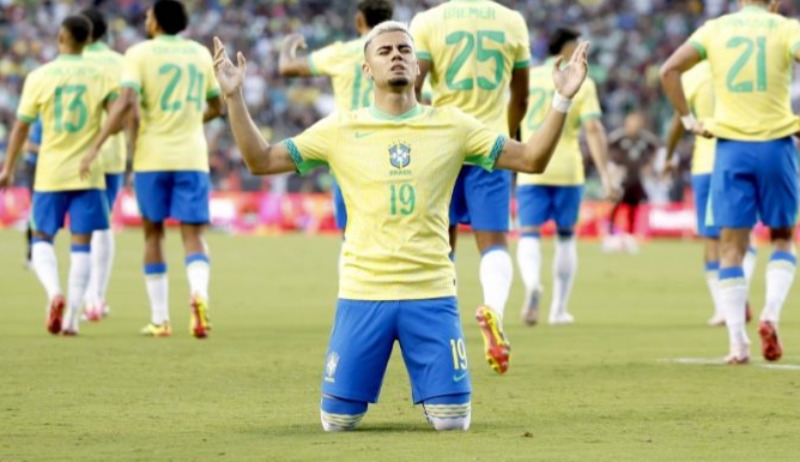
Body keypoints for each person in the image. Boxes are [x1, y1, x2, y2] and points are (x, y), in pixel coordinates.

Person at [211, 23, 589, 431]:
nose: (396, 55)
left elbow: (531, 159)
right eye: (385, 50)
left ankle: (436, 392)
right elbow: (262, 161)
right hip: (362, 294)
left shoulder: (453, 126)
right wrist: (233, 97)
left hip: (432, 294)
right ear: (367, 69)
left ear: (418, 66)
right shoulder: (339, 128)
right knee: (337, 422)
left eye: (405, 50)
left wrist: (563, 99)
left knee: (452, 422)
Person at [660, 0, 800, 364]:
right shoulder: (786, 27)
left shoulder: (716, 29)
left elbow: (668, 70)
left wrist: (688, 121)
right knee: (782, 238)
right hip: (776, 145)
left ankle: (738, 344)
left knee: (730, 247)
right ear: (774, 3)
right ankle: (770, 313)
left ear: (741, 1)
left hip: (730, 148)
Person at [409, 0, 530, 375]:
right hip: (489, 142)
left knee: (440, 241)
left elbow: (414, 85)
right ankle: (492, 308)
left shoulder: (426, 21)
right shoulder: (511, 21)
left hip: (442, 141)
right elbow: (521, 95)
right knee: (493, 242)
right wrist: (509, 136)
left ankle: (441, 328)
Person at [80, 0, 223, 338]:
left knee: (153, 234)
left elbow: (126, 102)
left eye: (147, 16)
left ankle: (160, 319)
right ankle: (199, 295)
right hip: (192, 156)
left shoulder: (139, 54)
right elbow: (217, 106)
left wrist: (96, 144)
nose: (145, 21)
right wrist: (191, 120)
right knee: (193, 235)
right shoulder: (200, 54)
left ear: (156, 21)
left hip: (151, 157)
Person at [0, 15, 119, 335]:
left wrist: (8, 167)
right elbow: (118, 117)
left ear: (61, 37)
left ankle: (54, 293)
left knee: (41, 238)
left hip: (50, 172)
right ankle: (72, 320)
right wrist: (97, 145)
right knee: (82, 244)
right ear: (89, 40)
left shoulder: (40, 76)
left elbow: (21, 127)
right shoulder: (102, 75)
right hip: (88, 173)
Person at [515, 27, 619, 326]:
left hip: (530, 164)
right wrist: (606, 175)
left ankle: (532, 284)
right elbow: (593, 129)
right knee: (565, 238)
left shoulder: (529, 77)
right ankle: (558, 309)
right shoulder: (582, 80)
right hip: (567, 169)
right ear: (568, 48)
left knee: (528, 234)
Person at [278, 0, 395, 232]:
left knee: (350, 233)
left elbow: (287, 67)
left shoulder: (341, 52)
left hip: (348, 150)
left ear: (359, 20)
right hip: (387, 148)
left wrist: (289, 45)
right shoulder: (399, 54)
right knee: (388, 228)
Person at [663, 61, 758, 327]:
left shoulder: (693, 75)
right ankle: (739, 293)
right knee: (742, 235)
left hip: (706, 164)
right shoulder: (742, 67)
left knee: (713, 240)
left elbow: (678, 121)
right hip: (740, 158)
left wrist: (669, 155)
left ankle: (723, 308)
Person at [80, 7, 128, 321]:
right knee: (103, 222)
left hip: (76, 153)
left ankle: (84, 297)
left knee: (81, 228)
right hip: (112, 154)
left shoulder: (73, 62)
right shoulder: (122, 62)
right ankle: (96, 296)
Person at [604, 112, 659, 253]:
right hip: (621, 177)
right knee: (615, 205)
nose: (634, 126)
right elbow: (605, 146)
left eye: (637, 123)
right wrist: (612, 167)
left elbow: (656, 148)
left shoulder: (645, 139)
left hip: (636, 178)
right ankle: (610, 236)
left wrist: (649, 166)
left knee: (634, 208)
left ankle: (629, 237)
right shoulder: (618, 137)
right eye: (631, 123)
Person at [22, 118, 42, 268]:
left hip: (54, 167)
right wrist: (50, 151)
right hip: (35, 167)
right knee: (36, 210)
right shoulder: (35, 118)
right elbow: (27, 145)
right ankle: (32, 253)